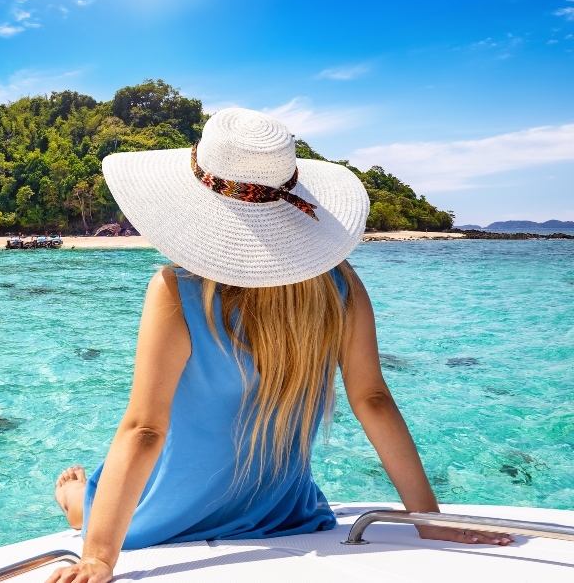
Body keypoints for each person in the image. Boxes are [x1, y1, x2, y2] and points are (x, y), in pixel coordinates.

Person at [46, 108, 511, 583]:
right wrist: (427, 520)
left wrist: (100, 556)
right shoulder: (340, 288)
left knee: (91, 503)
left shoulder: (176, 291)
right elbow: (372, 400)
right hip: (279, 512)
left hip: (165, 513)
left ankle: (79, 502)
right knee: (92, 493)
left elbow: (146, 429)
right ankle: (80, 497)